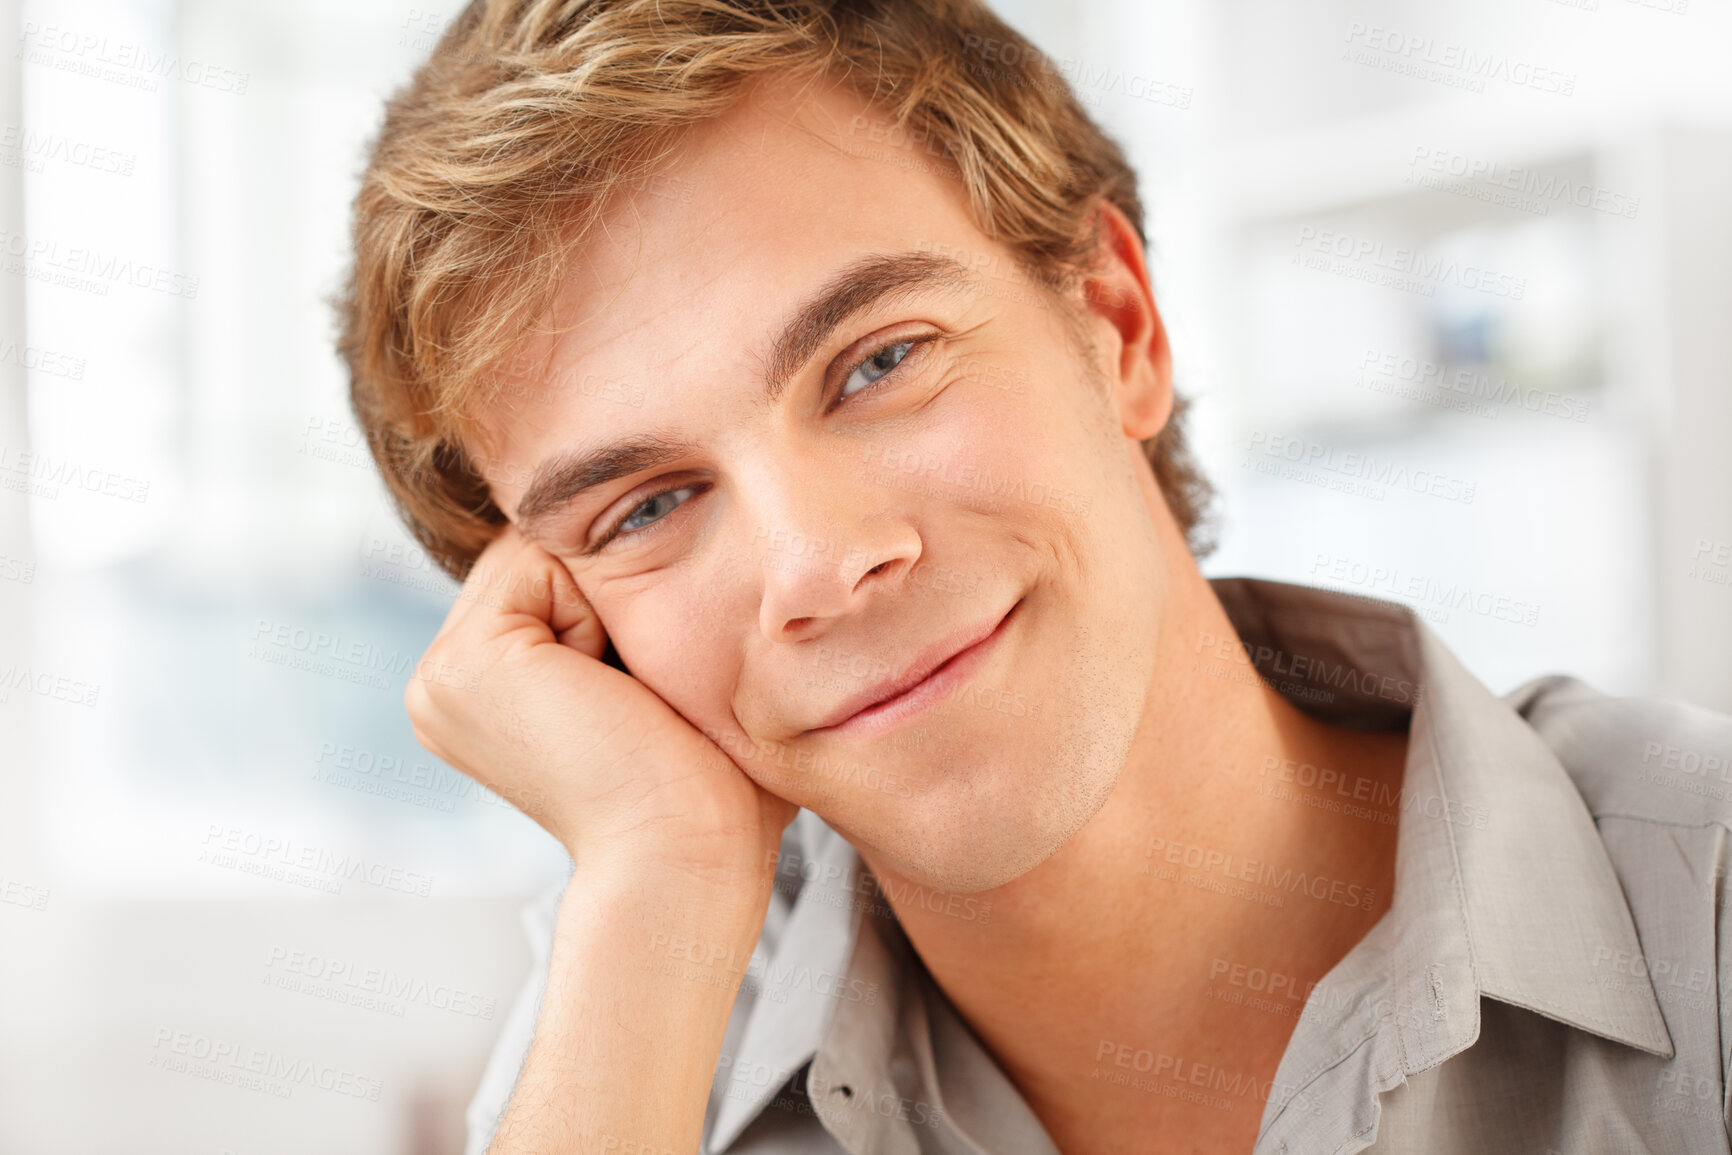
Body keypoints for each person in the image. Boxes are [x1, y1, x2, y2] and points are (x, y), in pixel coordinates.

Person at [337, 1, 1732, 1152]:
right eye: (646, 508)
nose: (821, 561)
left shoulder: (1704, 906)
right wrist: (658, 868)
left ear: (1116, 328)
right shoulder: (644, 1022)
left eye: (879, 363)